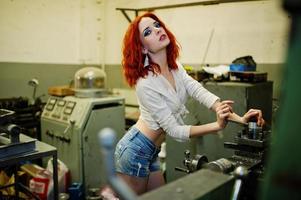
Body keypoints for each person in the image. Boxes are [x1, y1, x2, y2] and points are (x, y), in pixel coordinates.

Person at [114, 12, 265, 196]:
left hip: (151, 150)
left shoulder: (175, 66)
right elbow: (174, 131)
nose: (157, 30)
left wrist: (240, 119)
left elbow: (198, 91)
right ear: (143, 49)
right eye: (147, 32)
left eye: (157, 25)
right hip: (135, 150)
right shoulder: (145, 84)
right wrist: (217, 126)